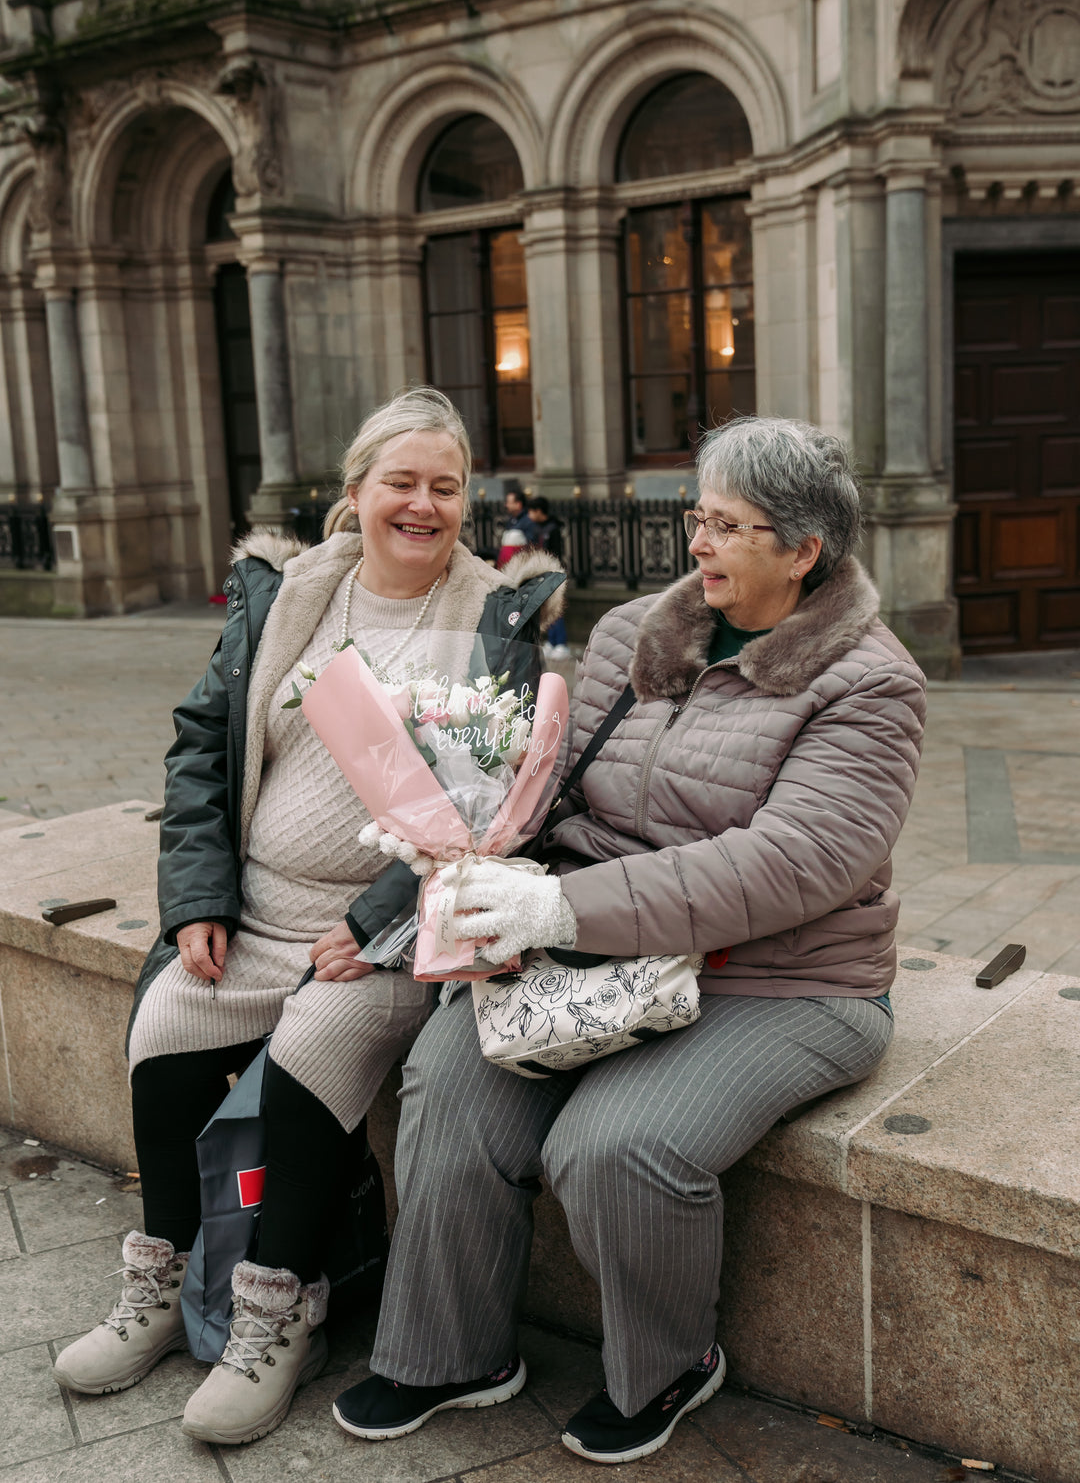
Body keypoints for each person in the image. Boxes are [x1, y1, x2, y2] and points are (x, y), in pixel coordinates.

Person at [331, 416, 925, 1464]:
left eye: (727, 525)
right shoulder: (635, 636)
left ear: (803, 551)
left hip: (781, 981)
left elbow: (792, 867)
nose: (695, 541)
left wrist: (564, 912)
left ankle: (669, 1366)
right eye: (698, 514)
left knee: (614, 1145)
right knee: (450, 1084)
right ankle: (450, 1353)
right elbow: (546, 787)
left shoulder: (870, 684)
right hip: (599, 954)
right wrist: (449, 830)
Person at [52, 387, 564, 1446]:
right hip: (251, 912)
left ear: (466, 501)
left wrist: (376, 919)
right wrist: (198, 898)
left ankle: (278, 1313)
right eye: (401, 483)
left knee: (307, 1062)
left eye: (445, 487)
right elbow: (201, 745)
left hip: (386, 934)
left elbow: (496, 799)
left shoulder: (496, 616)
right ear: (357, 492)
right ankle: (161, 1282)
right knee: (162, 1037)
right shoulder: (289, 593)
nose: (421, 504)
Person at [526, 496, 571, 659]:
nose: (529, 515)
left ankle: (561, 643)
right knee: (546, 609)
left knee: (556, 608)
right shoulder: (535, 528)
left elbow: (555, 554)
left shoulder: (552, 529)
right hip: (540, 573)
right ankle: (552, 641)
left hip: (552, 574)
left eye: (531, 511)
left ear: (539, 511)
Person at [496, 486, 538, 568]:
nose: (506, 505)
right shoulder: (511, 520)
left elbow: (532, 545)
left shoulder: (527, 521)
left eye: (509, 502)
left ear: (518, 504)